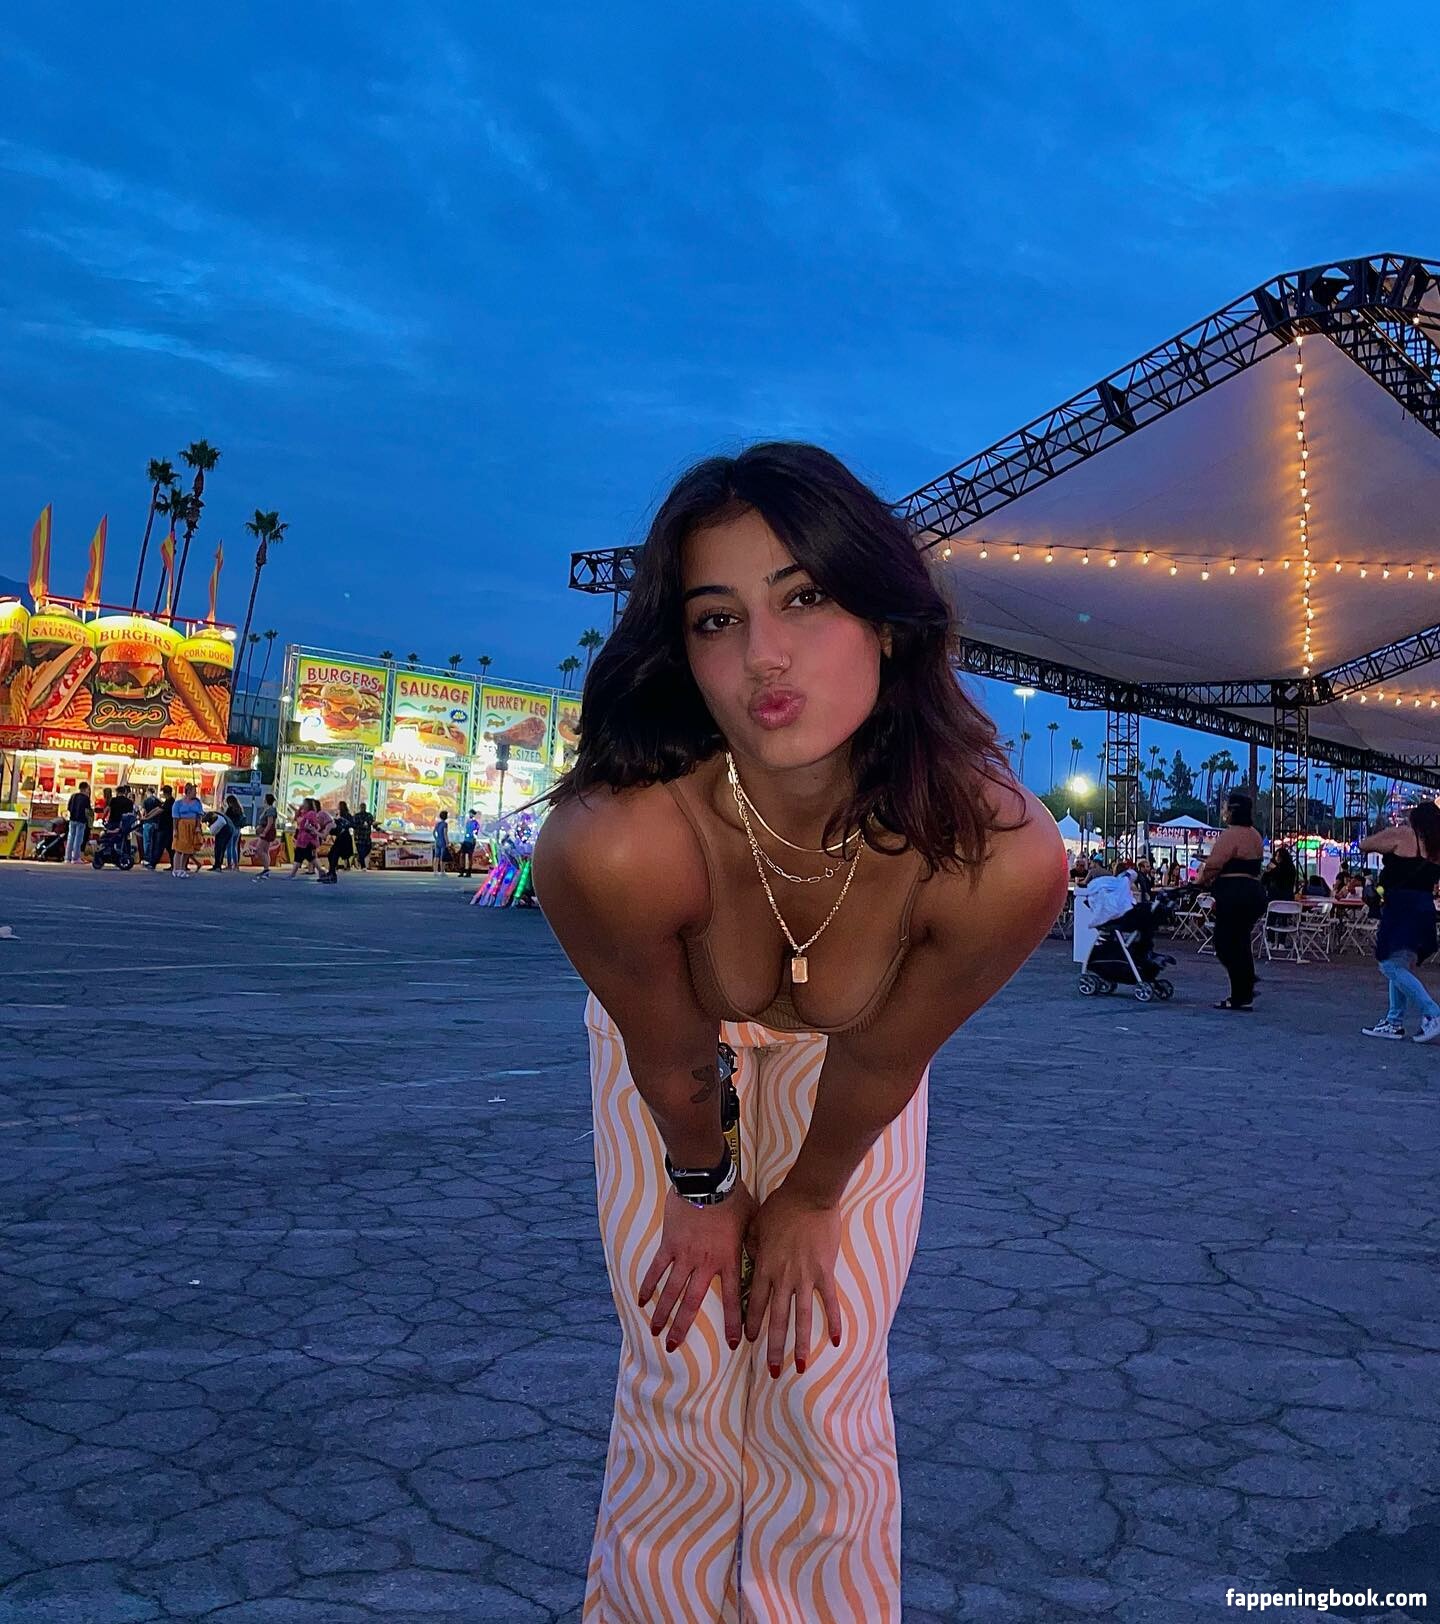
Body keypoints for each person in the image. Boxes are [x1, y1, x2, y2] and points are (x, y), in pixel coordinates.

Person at [530, 442, 1064, 1621]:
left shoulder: (997, 852)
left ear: (888, 621)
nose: (762, 654)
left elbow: (884, 1055)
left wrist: (813, 1196)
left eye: (805, 598)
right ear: (682, 651)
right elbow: (669, 1058)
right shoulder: (617, 843)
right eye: (716, 619)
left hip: (856, 1070)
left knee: (818, 1373)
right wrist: (704, 1188)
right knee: (681, 1364)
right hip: (673, 1061)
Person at [1359, 802, 1440, 1042]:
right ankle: (1394, 1021)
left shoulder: (1404, 835)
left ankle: (1433, 1013)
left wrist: (1387, 831)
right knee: (1401, 964)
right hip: (1424, 907)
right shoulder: (1436, 846)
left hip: (1401, 907)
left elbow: (1365, 844)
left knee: (1388, 964)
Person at [1197, 791, 1267, 1010]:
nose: (1222, 811)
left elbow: (1214, 864)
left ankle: (1242, 989)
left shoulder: (1231, 835)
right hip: (1253, 893)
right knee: (1240, 941)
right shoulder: (1255, 835)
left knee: (1225, 943)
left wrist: (1200, 881)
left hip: (1234, 894)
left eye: (1225, 807)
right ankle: (1245, 986)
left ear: (1232, 810)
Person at [171, 783, 204, 876]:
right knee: (179, 848)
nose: (195, 793)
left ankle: (182, 869)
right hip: (182, 826)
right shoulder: (178, 803)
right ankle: (176, 869)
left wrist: (197, 827)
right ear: (188, 792)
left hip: (192, 827)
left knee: (187, 849)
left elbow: (199, 816)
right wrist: (175, 830)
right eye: (194, 791)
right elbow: (175, 818)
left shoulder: (197, 803)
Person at [320, 800, 355, 884]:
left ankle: (332, 874)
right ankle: (331, 872)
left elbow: (351, 825)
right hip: (342, 837)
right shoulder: (339, 816)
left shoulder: (343, 817)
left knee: (333, 854)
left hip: (343, 837)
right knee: (332, 854)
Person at [290, 799, 323, 878]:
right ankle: (292, 874)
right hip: (302, 839)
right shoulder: (305, 813)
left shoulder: (311, 813)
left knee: (309, 857)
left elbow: (316, 825)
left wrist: (310, 828)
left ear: (308, 804)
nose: (303, 804)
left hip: (307, 840)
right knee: (303, 857)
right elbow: (297, 819)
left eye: (304, 803)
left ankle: (321, 871)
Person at [251, 793, 279, 879]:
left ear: (266, 800)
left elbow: (270, 823)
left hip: (267, 832)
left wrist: (264, 832)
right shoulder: (267, 809)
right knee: (265, 850)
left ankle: (266, 869)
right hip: (266, 831)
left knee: (259, 849)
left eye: (264, 798)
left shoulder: (270, 810)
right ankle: (266, 869)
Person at [65, 781, 92, 864]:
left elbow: (69, 807)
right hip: (81, 820)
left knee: (70, 838)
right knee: (78, 839)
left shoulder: (73, 796)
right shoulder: (86, 798)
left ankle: (67, 857)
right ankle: (75, 858)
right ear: (86, 788)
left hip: (72, 819)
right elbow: (88, 811)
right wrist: (89, 821)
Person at [139, 788, 162, 868]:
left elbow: (143, 812)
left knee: (147, 842)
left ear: (147, 792)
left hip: (148, 822)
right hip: (156, 823)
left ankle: (147, 858)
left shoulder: (146, 801)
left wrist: (143, 818)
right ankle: (153, 858)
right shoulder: (158, 801)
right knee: (154, 842)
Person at [224, 794, 246, 870]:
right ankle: (236, 865)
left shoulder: (230, 810)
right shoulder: (240, 809)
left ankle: (229, 865)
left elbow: (226, 819)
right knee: (234, 847)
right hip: (238, 830)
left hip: (231, 829)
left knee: (229, 847)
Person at [155, 786, 175, 870]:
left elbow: (160, 810)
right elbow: (158, 809)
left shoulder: (170, 802)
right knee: (169, 847)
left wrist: (147, 817)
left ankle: (153, 862)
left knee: (161, 846)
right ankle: (173, 864)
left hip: (167, 828)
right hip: (166, 827)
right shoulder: (168, 801)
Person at [458, 808, 481, 877]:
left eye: (471, 813)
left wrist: (474, 838)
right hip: (465, 840)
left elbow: (476, 832)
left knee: (470, 856)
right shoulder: (468, 822)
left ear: (473, 814)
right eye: (469, 813)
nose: (470, 815)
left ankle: (469, 871)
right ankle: (462, 870)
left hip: (471, 841)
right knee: (462, 855)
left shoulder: (476, 823)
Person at [352, 805, 375, 870]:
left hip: (367, 836)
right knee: (360, 851)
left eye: (363, 807)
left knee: (368, 849)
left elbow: (372, 823)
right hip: (359, 836)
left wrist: (375, 825)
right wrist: (355, 835)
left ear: (365, 808)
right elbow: (354, 826)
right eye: (362, 807)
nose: (362, 808)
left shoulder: (369, 815)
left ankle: (360, 858)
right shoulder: (356, 816)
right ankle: (363, 866)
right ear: (360, 808)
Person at [432, 809, 450, 873]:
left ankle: (435, 870)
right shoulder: (445, 824)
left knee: (436, 856)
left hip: (437, 841)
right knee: (443, 857)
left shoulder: (438, 824)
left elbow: (434, 832)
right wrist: (447, 842)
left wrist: (436, 838)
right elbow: (445, 834)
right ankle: (442, 870)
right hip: (443, 841)